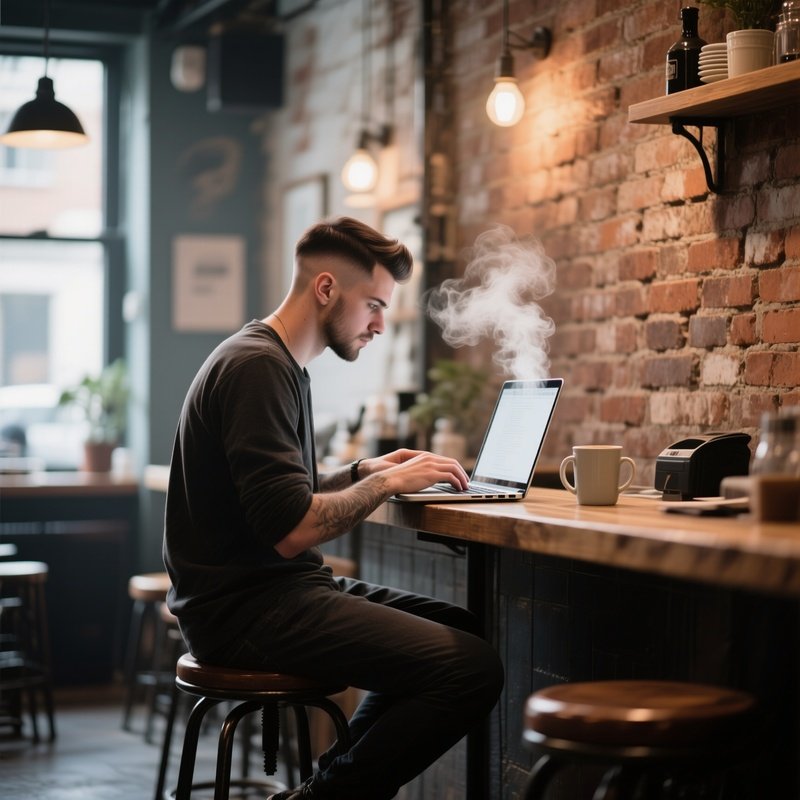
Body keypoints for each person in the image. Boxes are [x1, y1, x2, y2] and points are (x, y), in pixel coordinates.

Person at [163, 216, 505, 800]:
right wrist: (389, 484)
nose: (379, 324)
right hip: (246, 613)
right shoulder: (257, 368)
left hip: (269, 595)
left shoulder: (276, 363)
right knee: (472, 669)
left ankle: (321, 790)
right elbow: (292, 529)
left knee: (462, 630)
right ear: (326, 288)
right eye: (373, 305)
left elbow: (274, 496)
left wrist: (361, 472)